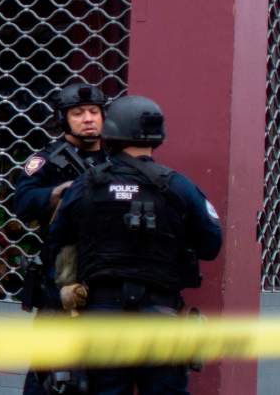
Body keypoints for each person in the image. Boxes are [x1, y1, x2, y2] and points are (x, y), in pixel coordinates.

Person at [50, 95, 223, 395]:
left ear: (111, 133)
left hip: (100, 318)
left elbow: (56, 240)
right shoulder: (179, 186)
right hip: (161, 317)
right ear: (157, 137)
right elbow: (211, 245)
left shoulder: (85, 185)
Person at [12, 83, 108, 394]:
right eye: (78, 113)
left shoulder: (117, 158)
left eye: (94, 112)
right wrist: (58, 193)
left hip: (106, 277)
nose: (88, 119)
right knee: (47, 371)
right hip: (59, 279)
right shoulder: (46, 160)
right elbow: (23, 203)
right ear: (63, 118)